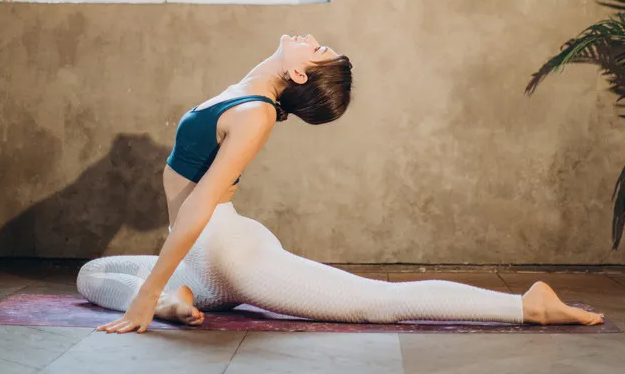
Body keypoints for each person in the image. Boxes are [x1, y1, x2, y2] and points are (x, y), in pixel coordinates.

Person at [76, 34, 604, 333]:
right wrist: (151, 294)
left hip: (229, 254)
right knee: (92, 276)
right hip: (201, 260)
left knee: (377, 303)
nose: (313, 41)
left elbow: (197, 208)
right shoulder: (250, 86)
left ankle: (526, 305)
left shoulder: (256, 113)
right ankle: (176, 300)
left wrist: (142, 296)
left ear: (300, 75)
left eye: (318, 51)